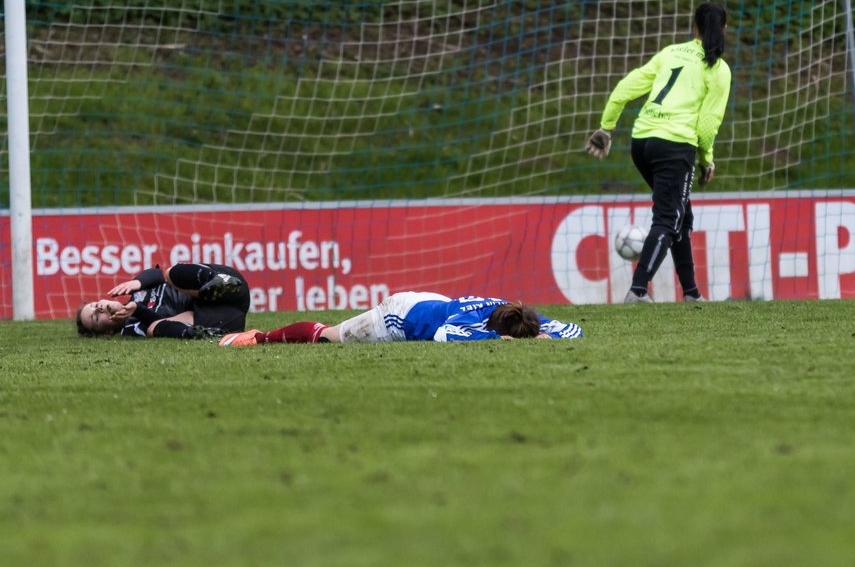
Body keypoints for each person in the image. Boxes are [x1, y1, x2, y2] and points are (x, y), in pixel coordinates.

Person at [585, 1, 732, 303]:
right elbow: (707, 124)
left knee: (681, 214)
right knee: (668, 217)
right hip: (675, 146)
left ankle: (691, 293)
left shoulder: (670, 53)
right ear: (725, 29)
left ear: (694, 28)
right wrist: (707, 160)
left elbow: (627, 86)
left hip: (642, 143)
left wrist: (606, 127)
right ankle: (638, 290)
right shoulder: (718, 68)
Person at [217, 291, 582, 345]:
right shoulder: (470, 324)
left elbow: (574, 330)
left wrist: (545, 334)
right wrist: (495, 342)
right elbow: (444, 336)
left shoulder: (515, 313)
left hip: (425, 298)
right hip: (395, 317)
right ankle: (259, 337)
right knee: (328, 337)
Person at [74, 263, 250, 339]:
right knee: (155, 328)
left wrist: (137, 282)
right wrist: (137, 310)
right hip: (226, 316)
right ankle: (202, 333)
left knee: (170, 274)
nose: (101, 309)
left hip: (233, 286)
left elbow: (156, 274)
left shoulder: (137, 291)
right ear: (106, 333)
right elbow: (154, 325)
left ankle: (216, 282)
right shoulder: (130, 329)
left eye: (96, 305)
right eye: (96, 318)